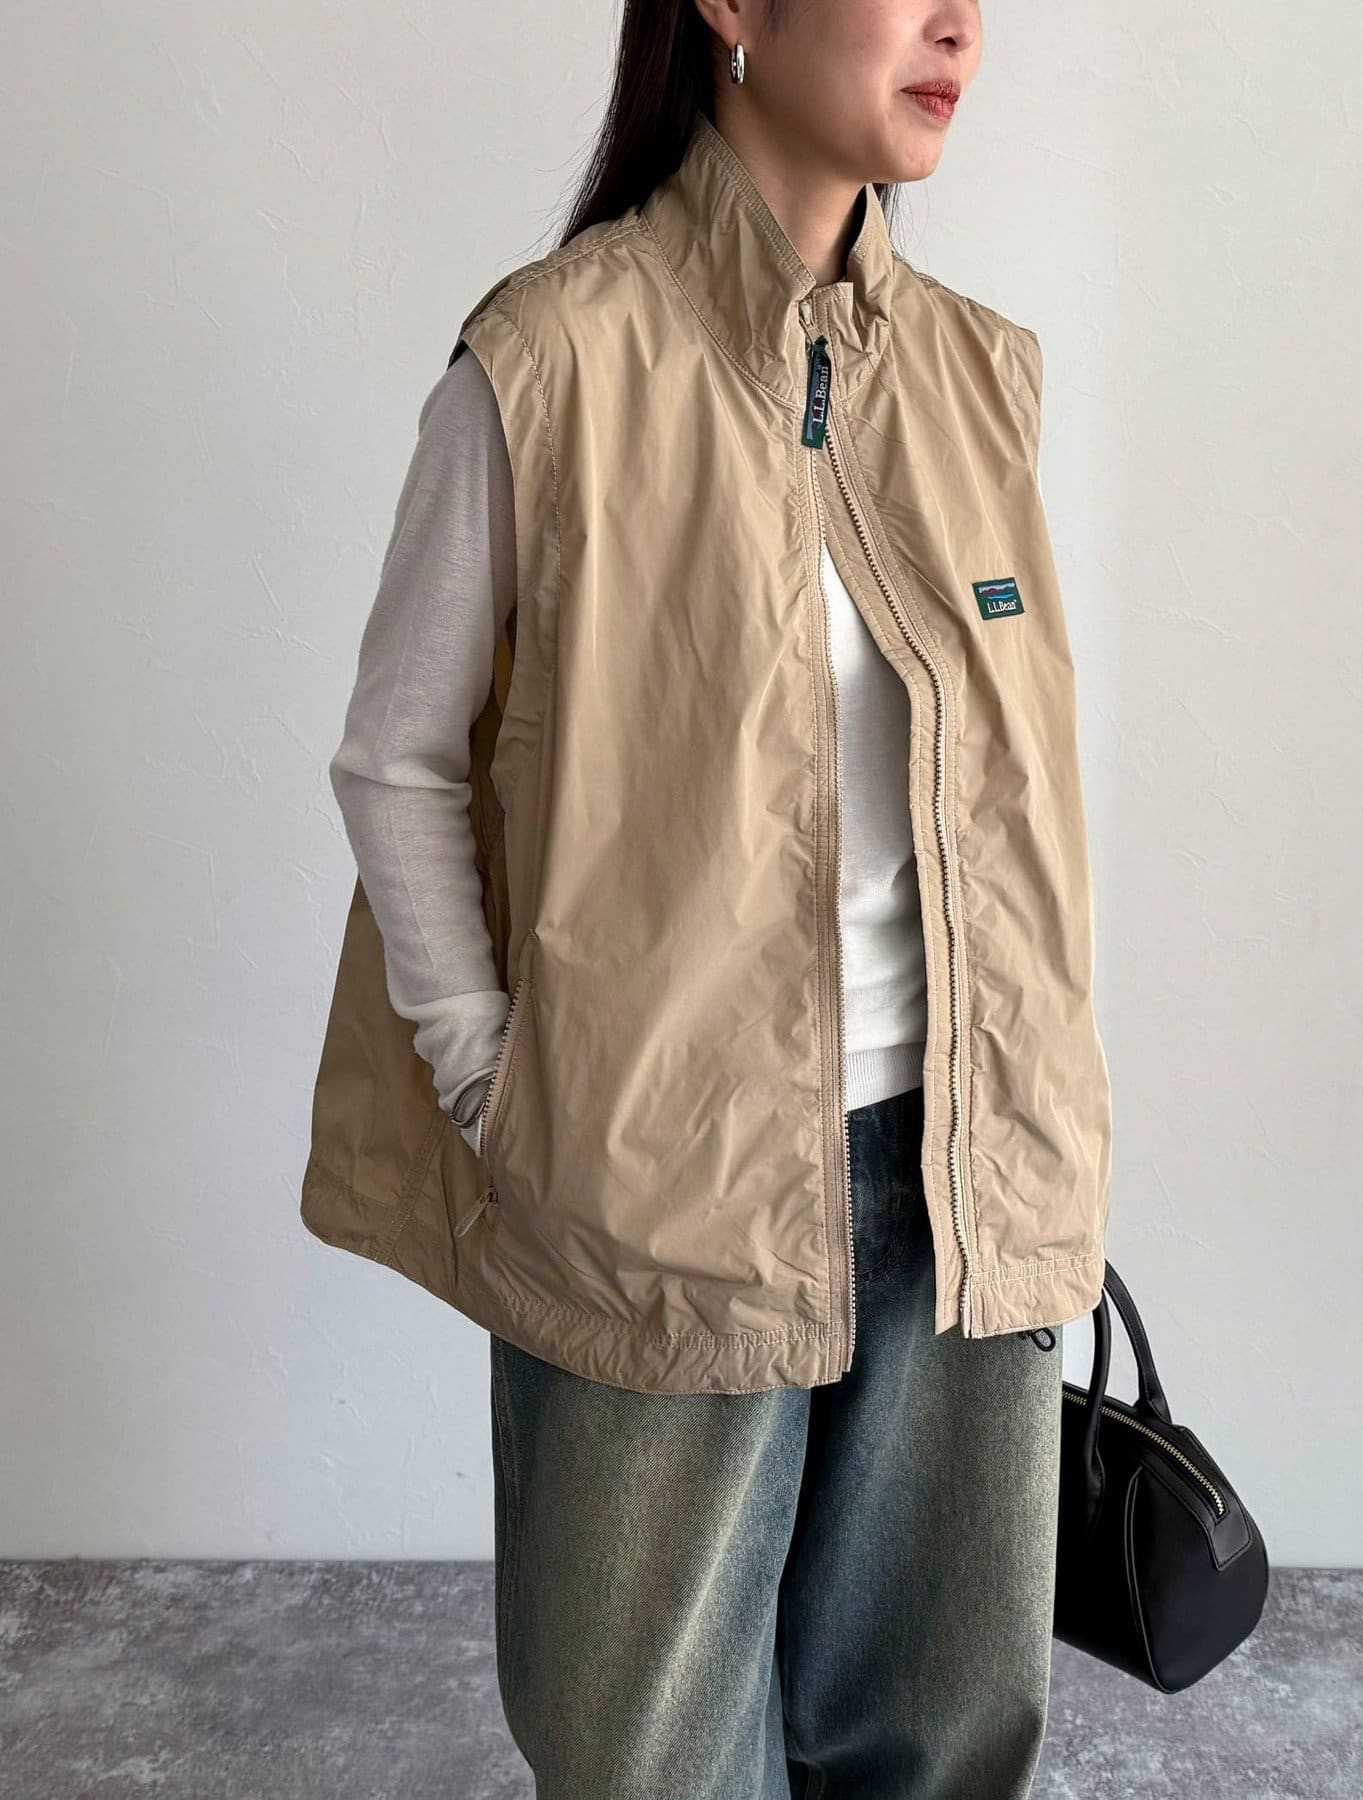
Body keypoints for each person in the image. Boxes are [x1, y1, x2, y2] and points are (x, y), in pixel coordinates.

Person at [307, 0, 1114, 1792]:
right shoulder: (550, 361)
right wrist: (494, 1080)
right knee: (646, 1755)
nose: (959, 26)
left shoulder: (976, 377)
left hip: (962, 1171)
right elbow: (396, 759)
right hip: (659, 1185)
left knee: (939, 1741)